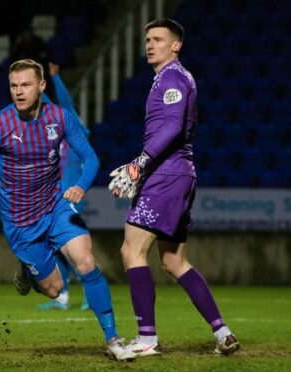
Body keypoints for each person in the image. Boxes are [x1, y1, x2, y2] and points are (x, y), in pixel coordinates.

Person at [0, 59, 135, 361]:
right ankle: (28, 274)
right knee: (54, 290)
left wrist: (80, 185)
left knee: (86, 261)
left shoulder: (60, 118)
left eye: (25, 85)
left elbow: (91, 159)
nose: (19, 91)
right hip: (20, 223)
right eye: (14, 86)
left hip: (55, 207)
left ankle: (113, 339)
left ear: (41, 86)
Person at [108, 19, 240, 356]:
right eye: (147, 39)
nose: (150, 44)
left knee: (131, 250)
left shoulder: (173, 78)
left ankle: (147, 338)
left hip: (165, 176)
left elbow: (170, 127)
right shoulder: (167, 78)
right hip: (177, 176)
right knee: (173, 261)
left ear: (176, 45)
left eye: (158, 39)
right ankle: (222, 332)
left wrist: (141, 162)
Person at [38, 62, 89, 312]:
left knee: (73, 249)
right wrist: (37, 91)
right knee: (56, 246)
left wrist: (56, 79)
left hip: (73, 197)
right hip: (57, 198)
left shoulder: (74, 128)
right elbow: (48, 105)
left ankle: (90, 293)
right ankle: (63, 296)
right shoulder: (59, 131)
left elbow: (65, 104)